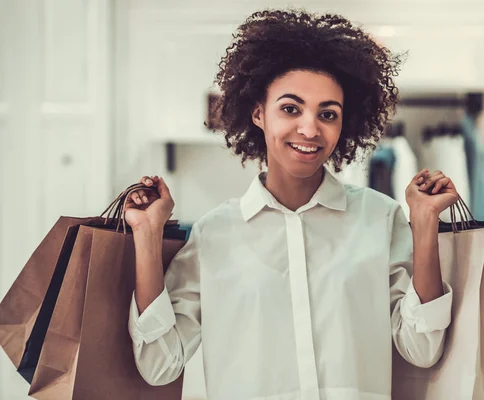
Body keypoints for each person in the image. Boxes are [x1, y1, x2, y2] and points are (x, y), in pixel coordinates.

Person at [125, 9, 457, 400]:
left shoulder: (380, 219)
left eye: (327, 114)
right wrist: (146, 236)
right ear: (258, 113)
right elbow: (159, 365)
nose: (310, 128)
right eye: (290, 108)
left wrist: (424, 225)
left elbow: (422, 348)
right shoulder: (215, 234)